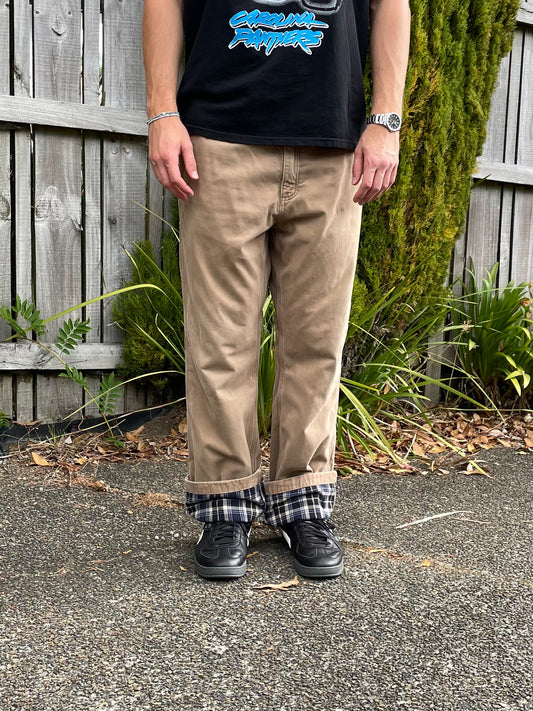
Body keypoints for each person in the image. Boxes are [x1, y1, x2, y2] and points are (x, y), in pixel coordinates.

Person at [143, 0, 411, 579]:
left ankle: (303, 499)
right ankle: (226, 505)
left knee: (317, 342)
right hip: (219, 141)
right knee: (219, 342)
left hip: (333, 145)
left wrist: (386, 119)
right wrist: (162, 111)